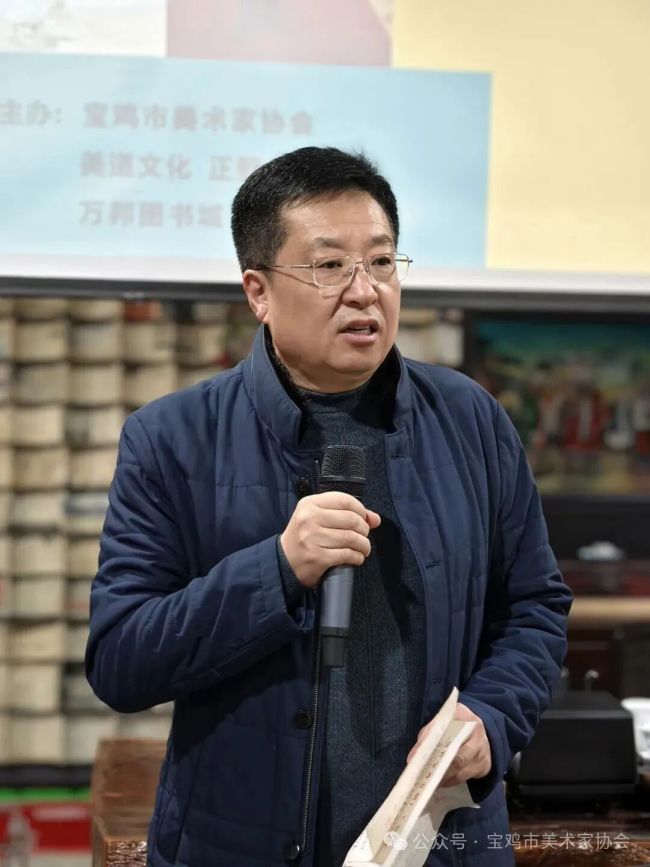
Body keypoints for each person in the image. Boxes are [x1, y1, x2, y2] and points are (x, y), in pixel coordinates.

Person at [86, 146, 573, 867]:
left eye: (381, 262)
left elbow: (535, 605)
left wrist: (492, 717)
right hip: (238, 843)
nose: (365, 291)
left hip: (441, 844)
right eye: (329, 266)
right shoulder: (172, 439)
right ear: (258, 291)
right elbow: (122, 660)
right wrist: (278, 570)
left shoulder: (470, 419)